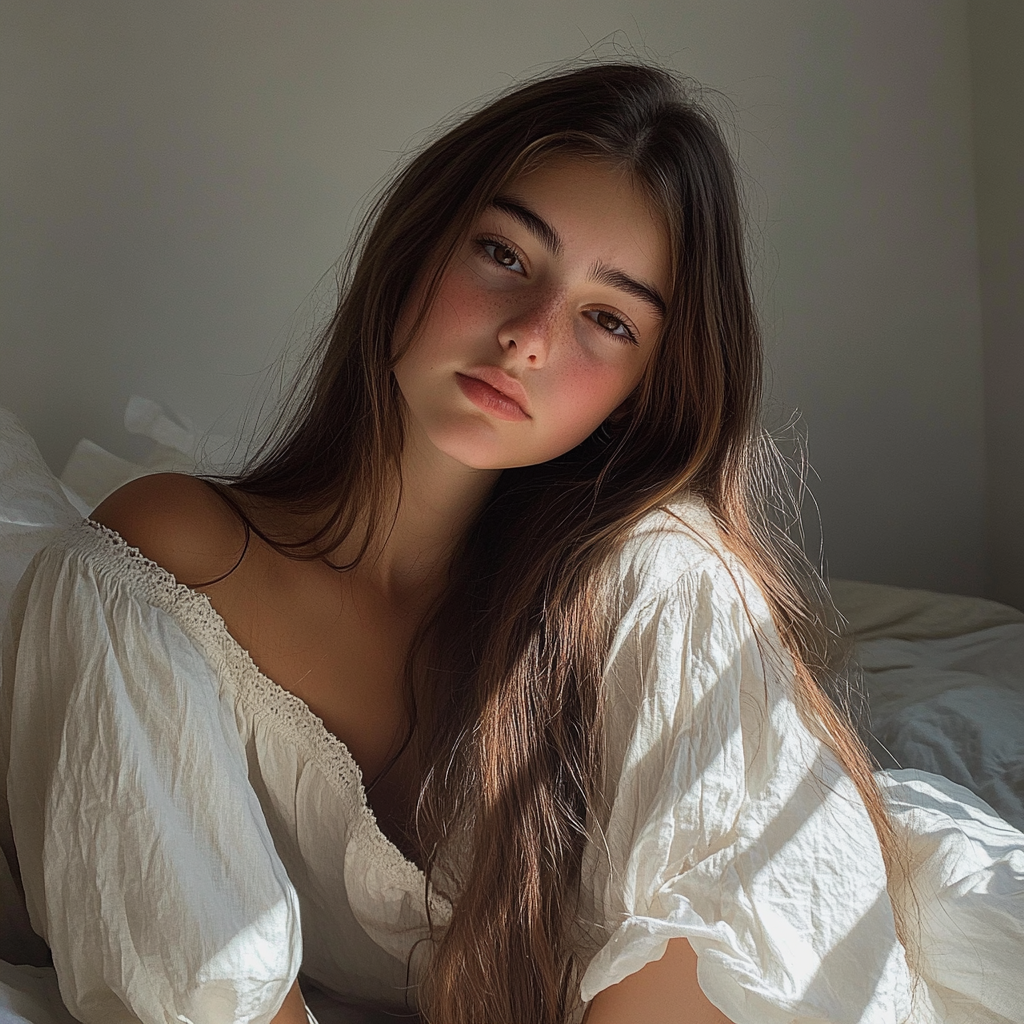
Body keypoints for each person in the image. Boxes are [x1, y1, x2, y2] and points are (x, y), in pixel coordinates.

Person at [1, 62, 1022, 1024]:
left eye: (607, 320)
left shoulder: (658, 578)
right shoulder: (153, 572)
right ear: (419, 244)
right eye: (503, 254)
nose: (529, 336)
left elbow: (711, 977)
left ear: (644, 387)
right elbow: (193, 978)